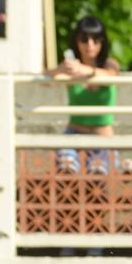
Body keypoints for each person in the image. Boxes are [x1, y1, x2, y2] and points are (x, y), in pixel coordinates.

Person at [47, 15, 121, 174]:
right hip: (73, 136)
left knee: (98, 178)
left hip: (102, 138)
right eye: (84, 39)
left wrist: (85, 71)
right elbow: (43, 79)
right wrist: (60, 70)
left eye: (96, 39)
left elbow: (111, 76)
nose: (90, 44)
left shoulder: (110, 63)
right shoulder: (70, 67)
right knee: (67, 172)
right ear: (76, 42)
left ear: (103, 42)